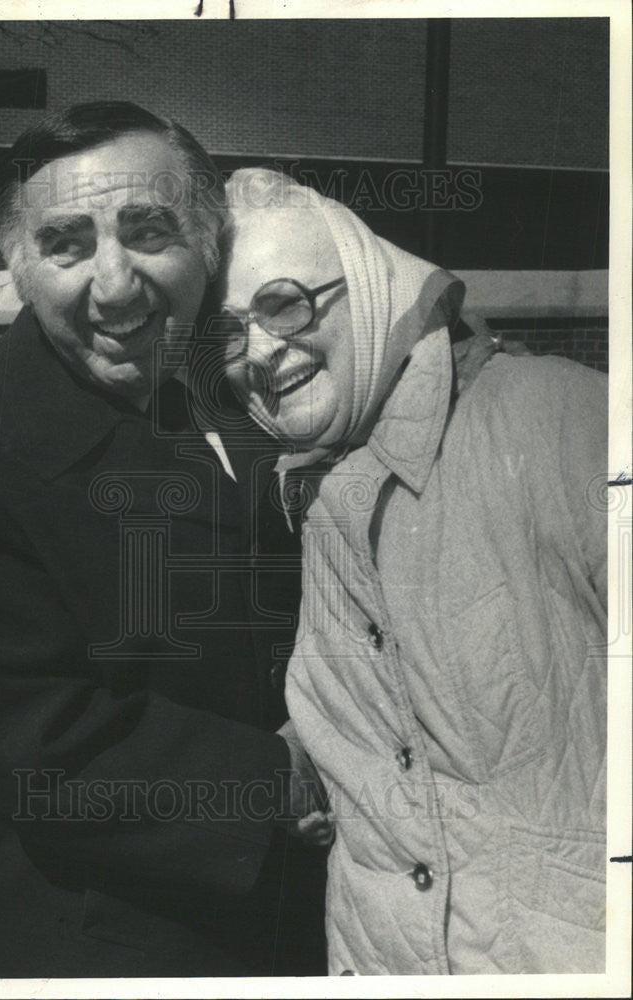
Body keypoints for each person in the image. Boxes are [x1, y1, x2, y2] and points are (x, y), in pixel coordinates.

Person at [0, 105, 329, 978]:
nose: (116, 284)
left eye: (147, 229)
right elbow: (42, 744)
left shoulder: (251, 379)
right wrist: (280, 778)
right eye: (67, 243)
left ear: (209, 245)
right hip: (113, 934)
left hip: (300, 905)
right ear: (21, 270)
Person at [217, 167, 607, 975]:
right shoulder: (310, 489)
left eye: (283, 303)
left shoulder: (564, 419)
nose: (259, 351)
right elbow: (395, 714)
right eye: (226, 333)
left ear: (370, 282)